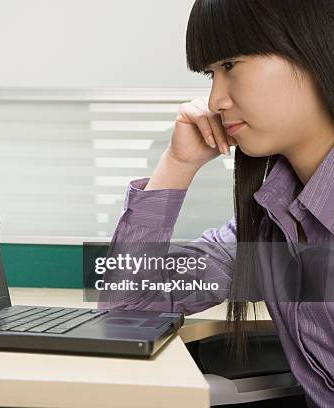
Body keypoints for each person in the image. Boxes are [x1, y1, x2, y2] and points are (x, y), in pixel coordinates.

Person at [97, 0, 333, 406]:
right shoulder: (268, 226)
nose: (215, 100)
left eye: (230, 65)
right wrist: (177, 164)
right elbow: (128, 306)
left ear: (313, 50)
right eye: (211, 73)